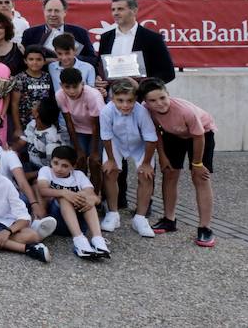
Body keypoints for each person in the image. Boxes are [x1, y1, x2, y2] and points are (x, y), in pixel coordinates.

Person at [140, 78, 217, 247]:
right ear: (145, 102)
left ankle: (205, 227)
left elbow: (198, 136)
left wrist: (197, 164)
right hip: (173, 135)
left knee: (200, 178)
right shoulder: (146, 110)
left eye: (162, 98)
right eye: (152, 100)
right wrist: (162, 155)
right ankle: (169, 219)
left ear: (168, 95)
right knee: (169, 173)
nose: (159, 104)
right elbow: (156, 133)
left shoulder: (185, 111)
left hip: (201, 135)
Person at [99, 77, 158, 238]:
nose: (125, 105)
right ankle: (113, 213)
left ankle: (140, 218)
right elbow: (106, 135)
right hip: (115, 143)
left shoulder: (141, 111)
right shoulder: (106, 111)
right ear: (112, 98)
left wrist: (146, 163)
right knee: (110, 172)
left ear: (135, 99)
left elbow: (151, 138)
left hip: (139, 145)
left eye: (130, 101)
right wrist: (111, 160)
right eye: (120, 100)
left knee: (146, 175)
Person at [37, 145, 110, 258]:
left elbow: (93, 196)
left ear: (73, 166)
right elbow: (42, 190)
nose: (58, 168)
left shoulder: (79, 175)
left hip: (80, 222)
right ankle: (79, 241)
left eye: (65, 166)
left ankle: (98, 240)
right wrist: (64, 193)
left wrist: (91, 200)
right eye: (55, 163)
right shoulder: (46, 171)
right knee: (64, 197)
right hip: (56, 221)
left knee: (86, 197)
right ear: (51, 161)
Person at [100, 0, 176, 83]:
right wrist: (99, 80)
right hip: (112, 94)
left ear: (134, 11)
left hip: (141, 95)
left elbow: (168, 73)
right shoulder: (106, 37)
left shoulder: (152, 38)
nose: (115, 13)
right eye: (113, 9)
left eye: (120, 9)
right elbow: (101, 67)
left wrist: (143, 87)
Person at [57, 67, 105, 180]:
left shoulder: (93, 95)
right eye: (67, 87)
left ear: (82, 84)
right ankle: (82, 188)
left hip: (98, 130)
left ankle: (96, 192)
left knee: (94, 162)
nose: (71, 91)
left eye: (75, 87)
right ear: (61, 85)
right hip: (79, 129)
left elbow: (96, 125)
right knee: (79, 160)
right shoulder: (60, 95)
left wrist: (94, 152)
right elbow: (69, 122)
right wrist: (78, 150)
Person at [21, 0, 98, 62]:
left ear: (64, 12)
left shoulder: (80, 32)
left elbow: (92, 59)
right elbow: (23, 60)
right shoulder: (29, 34)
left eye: (57, 11)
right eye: (49, 10)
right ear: (44, 11)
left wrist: (71, 58)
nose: (53, 14)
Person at [10, 45, 54, 146]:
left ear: (44, 61)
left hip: (44, 124)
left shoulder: (47, 77)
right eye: (31, 59)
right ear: (25, 61)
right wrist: (17, 127)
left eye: (39, 59)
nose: (35, 62)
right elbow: (14, 104)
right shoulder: (20, 78)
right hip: (25, 123)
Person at [20, 96, 69, 173]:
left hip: (45, 171)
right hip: (31, 165)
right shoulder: (32, 124)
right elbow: (24, 138)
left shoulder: (52, 139)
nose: (33, 104)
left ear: (37, 115)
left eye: (36, 105)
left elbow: (52, 168)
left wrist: (30, 175)